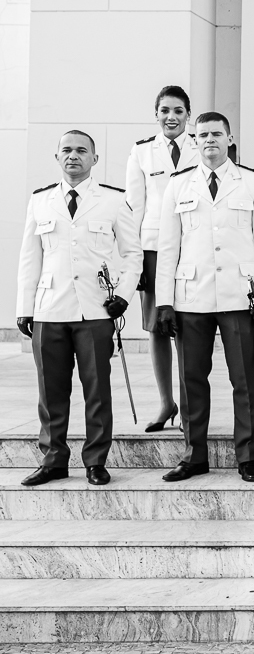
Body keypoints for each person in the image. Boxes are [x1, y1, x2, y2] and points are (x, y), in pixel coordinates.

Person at [154, 112, 254, 483]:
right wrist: (164, 301)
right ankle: (194, 455)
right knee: (192, 379)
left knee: (244, 379)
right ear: (194, 140)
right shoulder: (178, 186)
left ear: (229, 138)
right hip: (192, 298)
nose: (209, 139)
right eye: (202, 134)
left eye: (216, 134)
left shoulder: (252, 182)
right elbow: (167, 246)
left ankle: (247, 456)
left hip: (240, 297)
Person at [16, 130, 141, 486]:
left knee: (97, 390)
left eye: (81, 150)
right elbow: (30, 256)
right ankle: (54, 459)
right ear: (57, 158)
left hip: (95, 310)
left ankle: (95, 461)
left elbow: (133, 256)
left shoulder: (113, 201)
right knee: (50, 391)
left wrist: (124, 295)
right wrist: (25, 306)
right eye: (66, 150)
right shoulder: (40, 201)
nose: (74, 156)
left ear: (95, 159)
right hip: (50, 308)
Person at [125, 85, 199, 432]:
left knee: (187, 326)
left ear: (188, 114)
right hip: (153, 247)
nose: (172, 117)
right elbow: (133, 209)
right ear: (156, 114)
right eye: (165, 110)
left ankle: (187, 405)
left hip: (192, 245)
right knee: (157, 327)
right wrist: (135, 259)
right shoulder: (141, 152)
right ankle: (165, 402)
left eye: (179, 111)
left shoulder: (203, 146)